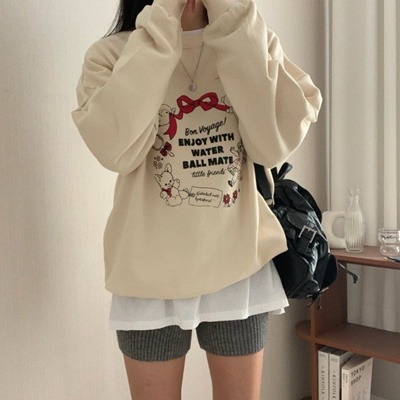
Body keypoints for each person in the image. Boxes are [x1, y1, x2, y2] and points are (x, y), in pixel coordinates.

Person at [72, 0, 322, 398]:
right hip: (147, 272)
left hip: (239, 263)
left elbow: (272, 143)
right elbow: (116, 150)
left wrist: (234, 21)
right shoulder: (114, 55)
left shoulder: (248, 40)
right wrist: (160, 32)